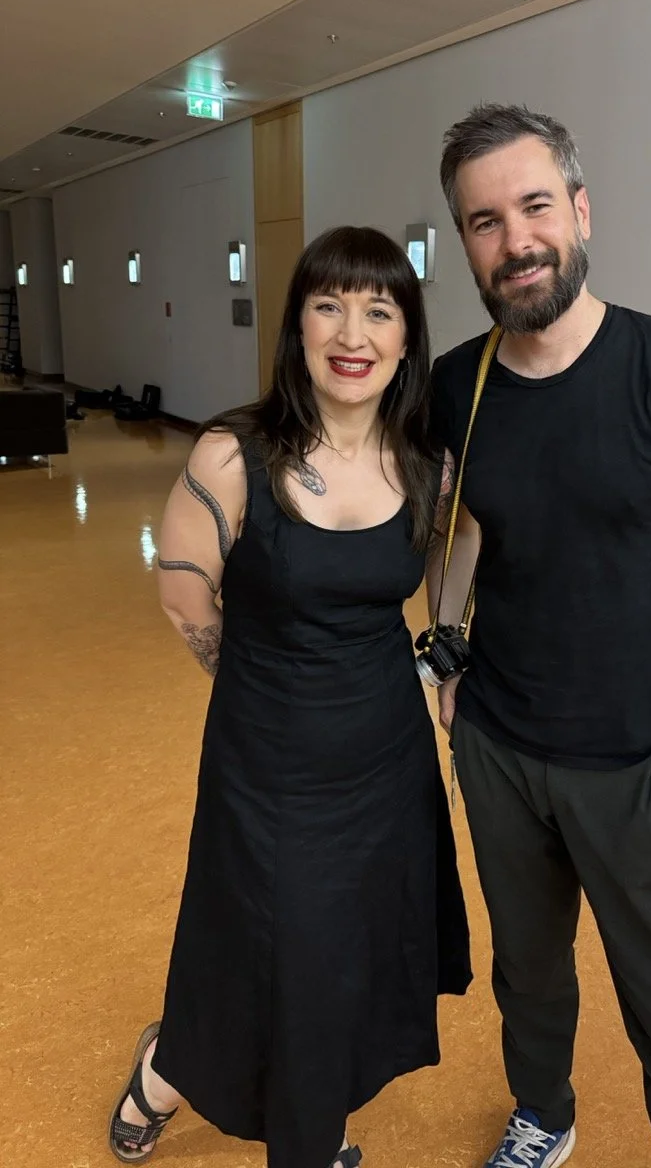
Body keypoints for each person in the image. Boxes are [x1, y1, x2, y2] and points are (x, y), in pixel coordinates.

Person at [427, 104, 651, 1168]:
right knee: (528, 973)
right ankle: (544, 1112)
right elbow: (463, 525)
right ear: (465, 242)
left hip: (640, 766)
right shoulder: (458, 383)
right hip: (500, 748)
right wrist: (441, 648)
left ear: (580, 210)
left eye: (535, 206)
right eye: (485, 221)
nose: (516, 240)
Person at [108, 226, 472, 1168]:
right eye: (328, 306)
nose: (352, 333)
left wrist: (447, 648)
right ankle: (171, 1072)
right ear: (297, 326)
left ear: (406, 337)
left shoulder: (424, 461)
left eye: (378, 311)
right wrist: (268, 687)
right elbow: (183, 594)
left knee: (347, 948)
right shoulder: (236, 455)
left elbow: (457, 544)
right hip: (267, 759)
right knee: (264, 940)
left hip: (386, 757)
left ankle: (309, 1115)